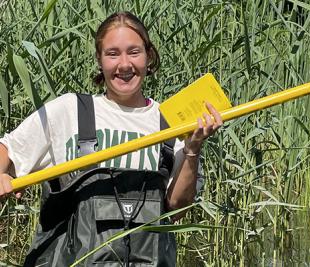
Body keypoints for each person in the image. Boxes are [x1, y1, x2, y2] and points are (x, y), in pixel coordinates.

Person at [0, 11, 222, 266]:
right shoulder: (69, 111)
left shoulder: (172, 123)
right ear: (99, 59)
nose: (124, 64)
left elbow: (177, 208)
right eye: (113, 53)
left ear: (148, 56)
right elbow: (7, 149)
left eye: (134, 52)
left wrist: (193, 148)